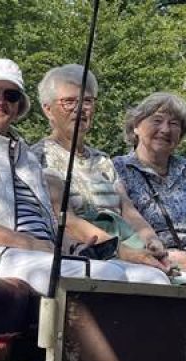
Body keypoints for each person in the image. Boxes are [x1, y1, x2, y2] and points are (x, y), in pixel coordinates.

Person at [0, 58, 168, 296]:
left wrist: (74, 247)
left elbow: (49, 224)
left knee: (152, 278)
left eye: (11, 95)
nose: (0, 101)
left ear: (20, 105)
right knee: (108, 277)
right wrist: (31, 243)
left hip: (37, 254)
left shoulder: (25, 156)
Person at [32, 64, 172, 280]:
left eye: (87, 101)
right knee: (154, 280)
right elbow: (65, 219)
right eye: (69, 101)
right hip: (86, 253)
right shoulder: (40, 157)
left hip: (127, 248)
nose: (80, 109)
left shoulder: (102, 160)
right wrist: (122, 251)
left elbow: (127, 209)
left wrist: (152, 241)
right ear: (47, 109)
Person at [114, 92, 186, 285]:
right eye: (157, 120)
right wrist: (174, 259)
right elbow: (119, 231)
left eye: (174, 124)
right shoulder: (117, 169)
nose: (165, 129)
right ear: (136, 126)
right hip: (154, 265)